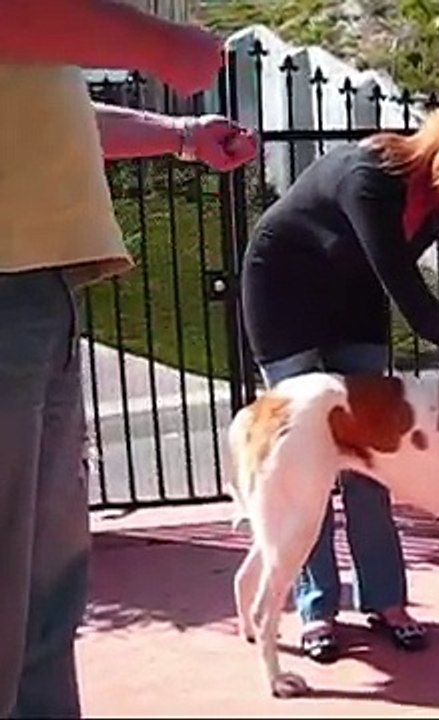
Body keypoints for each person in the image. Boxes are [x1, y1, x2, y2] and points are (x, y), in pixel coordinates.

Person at [240, 92, 439, 664]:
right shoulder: (370, 178)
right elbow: (424, 314)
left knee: (375, 457)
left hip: (356, 302)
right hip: (284, 297)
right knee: (308, 462)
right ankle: (318, 610)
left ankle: (386, 601)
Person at [0, 2, 257, 716]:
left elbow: (54, 114)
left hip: (38, 286)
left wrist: (180, 137)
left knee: (43, 603)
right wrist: (157, 44)